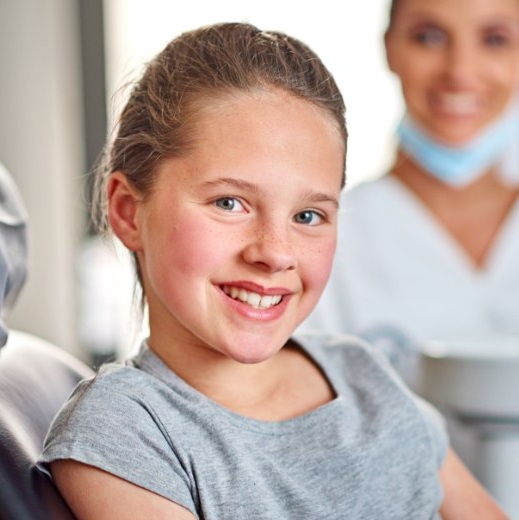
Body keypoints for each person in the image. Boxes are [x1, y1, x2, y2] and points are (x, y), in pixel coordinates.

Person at [38, 23, 506, 519]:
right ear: (130, 212)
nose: (276, 253)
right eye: (230, 202)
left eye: (308, 216)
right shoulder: (127, 430)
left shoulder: (363, 373)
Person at [298, 0, 519, 373]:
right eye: (429, 37)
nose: (460, 72)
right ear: (390, 48)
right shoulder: (326, 236)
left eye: (495, 39)